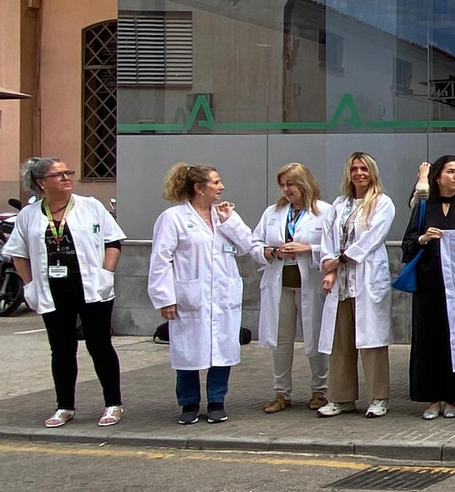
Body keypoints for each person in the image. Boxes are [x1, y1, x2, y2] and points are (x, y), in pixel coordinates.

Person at [4, 158, 124, 428]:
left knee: (99, 345)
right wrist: (29, 285)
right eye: (57, 175)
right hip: (53, 290)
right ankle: (64, 406)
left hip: (92, 288)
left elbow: (113, 241)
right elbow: (17, 254)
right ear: (40, 183)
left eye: (68, 173)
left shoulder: (90, 205)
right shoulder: (29, 215)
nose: (66, 178)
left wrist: (107, 273)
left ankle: (113, 403)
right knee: (61, 349)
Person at [148, 163, 255, 425]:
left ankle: (217, 401)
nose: (222, 187)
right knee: (188, 351)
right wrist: (165, 298)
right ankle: (189, 403)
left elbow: (247, 246)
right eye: (216, 182)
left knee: (222, 347)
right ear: (199, 188)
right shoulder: (173, 218)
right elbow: (161, 259)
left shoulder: (224, 215)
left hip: (222, 295)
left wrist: (230, 222)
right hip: (189, 297)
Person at [316, 152, 395, 418]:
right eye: (354, 169)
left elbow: (372, 238)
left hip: (367, 277)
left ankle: (378, 397)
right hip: (341, 283)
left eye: (364, 168)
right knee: (341, 341)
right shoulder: (339, 205)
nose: (359, 173)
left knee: (371, 341)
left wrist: (338, 260)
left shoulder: (383, 203)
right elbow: (327, 238)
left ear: (372, 172)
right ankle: (341, 397)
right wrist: (329, 265)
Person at [402, 155, 455, 419]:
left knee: (454, 340)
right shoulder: (424, 207)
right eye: (450, 171)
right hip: (428, 283)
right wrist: (424, 238)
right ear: (437, 176)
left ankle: (452, 398)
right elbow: (407, 245)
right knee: (428, 341)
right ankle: (432, 398)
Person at [250, 162, 330, 413]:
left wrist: (307, 249)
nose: (286, 189)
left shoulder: (325, 212)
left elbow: (333, 247)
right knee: (281, 339)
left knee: (315, 336)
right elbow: (254, 244)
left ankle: (320, 391)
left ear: (304, 184)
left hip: (311, 282)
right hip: (280, 282)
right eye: (283, 185)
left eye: (291, 184)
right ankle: (281, 392)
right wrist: (272, 251)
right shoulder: (272, 212)